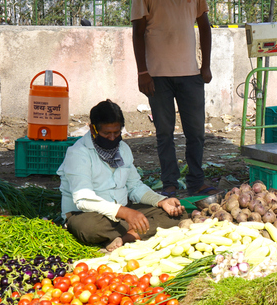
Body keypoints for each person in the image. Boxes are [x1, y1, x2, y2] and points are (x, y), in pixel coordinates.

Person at [131, 0, 219, 198]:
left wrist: (206, 65)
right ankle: (169, 182)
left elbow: (204, 27)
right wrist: (142, 72)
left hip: (190, 74)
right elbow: (137, 32)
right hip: (157, 76)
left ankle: (196, 181)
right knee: (164, 133)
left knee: (196, 132)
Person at [58, 100, 187, 251]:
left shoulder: (123, 149)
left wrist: (161, 202)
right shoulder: (78, 153)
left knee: (179, 215)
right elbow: (83, 199)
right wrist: (125, 213)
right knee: (88, 228)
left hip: (123, 212)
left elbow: (134, 186)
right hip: (87, 215)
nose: (113, 138)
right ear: (93, 130)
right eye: (107, 133)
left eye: (116, 132)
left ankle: (126, 237)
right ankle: (140, 229)